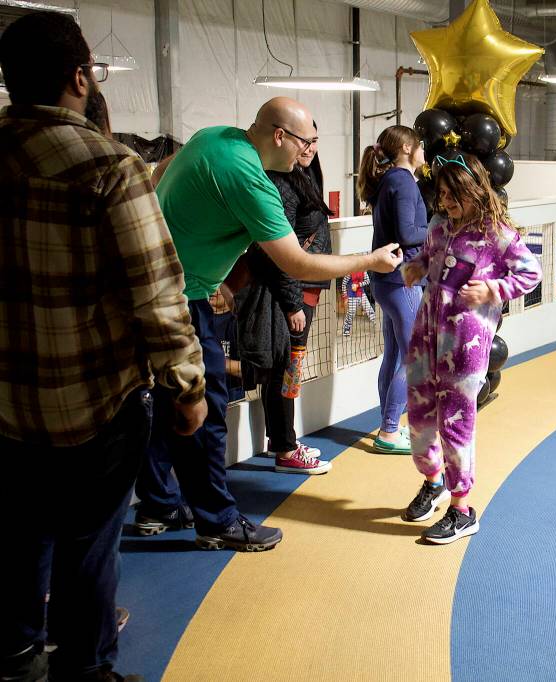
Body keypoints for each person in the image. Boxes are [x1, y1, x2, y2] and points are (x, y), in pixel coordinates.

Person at [0, 11, 206, 681]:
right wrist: (188, 389)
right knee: (89, 548)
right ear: (79, 76)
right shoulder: (110, 166)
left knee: (17, 537)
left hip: (5, 408)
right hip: (97, 406)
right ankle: (85, 670)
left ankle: (16, 655)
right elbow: (156, 294)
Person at [133, 96, 403, 551]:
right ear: (280, 135)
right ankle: (216, 521)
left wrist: (197, 260)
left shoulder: (213, 137)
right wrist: (371, 261)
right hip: (184, 300)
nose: (308, 150)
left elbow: (161, 172)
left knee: (165, 402)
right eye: (305, 141)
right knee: (206, 411)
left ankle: (158, 503)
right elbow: (295, 262)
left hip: (158, 284)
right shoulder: (253, 181)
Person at [400, 153, 541, 544]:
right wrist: (415, 268)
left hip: (465, 346)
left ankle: (462, 509)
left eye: (453, 194)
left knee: (455, 423)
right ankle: (433, 483)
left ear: (474, 190)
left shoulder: (497, 234)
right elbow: (430, 259)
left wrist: (493, 289)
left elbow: (531, 273)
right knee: (419, 415)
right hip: (425, 338)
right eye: (442, 194)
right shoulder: (440, 228)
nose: (445, 201)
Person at [246, 120, 333, 474]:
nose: (309, 147)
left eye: (314, 139)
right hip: (292, 293)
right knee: (287, 369)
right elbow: (278, 250)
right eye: (304, 140)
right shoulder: (281, 181)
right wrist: (292, 302)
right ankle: (285, 448)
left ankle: (282, 441)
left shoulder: (306, 173)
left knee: (287, 367)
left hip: (305, 287)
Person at [357, 125, 429, 454]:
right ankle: (389, 431)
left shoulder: (388, 181)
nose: (424, 152)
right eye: (420, 146)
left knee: (396, 354)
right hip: (402, 281)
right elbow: (407, 232)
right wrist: (437, 229)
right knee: (412, 358)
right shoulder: (401, 181)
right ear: (406, 149)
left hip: (387, 280)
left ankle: (389, 425)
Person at [341, 271, 376, 337]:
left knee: (369, 310)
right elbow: (343, 284)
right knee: (351, 313)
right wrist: (345, 297)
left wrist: (358, 285)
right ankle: (346, 328)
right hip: (351, 295)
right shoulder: (350, 271)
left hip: (362, 294)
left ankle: (377, 326)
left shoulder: (363, 270)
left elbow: (368, 281)